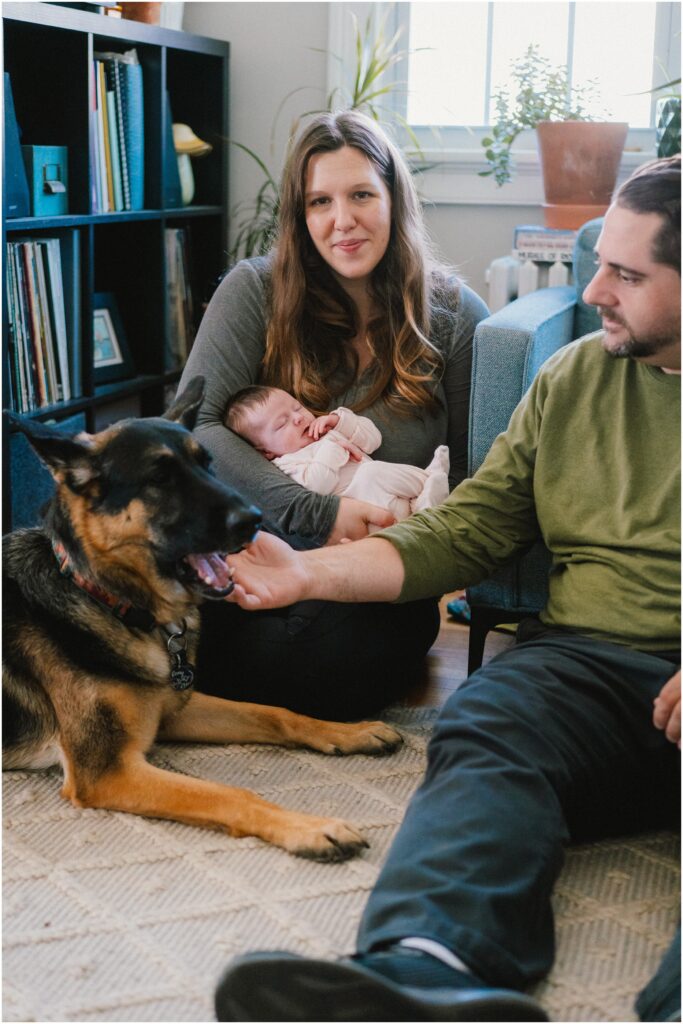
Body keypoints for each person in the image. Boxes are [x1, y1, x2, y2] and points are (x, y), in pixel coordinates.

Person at [214, 155, 681, 1022]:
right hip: (587, 668)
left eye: (625, 273)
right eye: (596, 265)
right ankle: (425, 971)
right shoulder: (575, 378)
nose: (597, 292)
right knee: (485, 724)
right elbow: (466, 529)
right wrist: (306, 570)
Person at [179, 110, 488, 719]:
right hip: (249, 549)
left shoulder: (452, 314)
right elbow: (196, 424)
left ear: (395, 200)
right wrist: (317, 512)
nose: (342, 221)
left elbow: (474, 474)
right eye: (320, 201)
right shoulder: (256, 291)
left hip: (372, 577)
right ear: (300, 217)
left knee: (329, 662)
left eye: (361, 195)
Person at [224, 384, 451, 521]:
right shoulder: (286, 464)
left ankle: (429, 491)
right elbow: (316, 486)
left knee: (377, 472)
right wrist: (331, 447)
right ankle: (427, 500)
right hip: (369, 511)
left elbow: (373, 440)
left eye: (297, 407)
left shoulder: (326, 430)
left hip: (395, 492)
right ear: (267, 452)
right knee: (368, 475)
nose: (298, 417)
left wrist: (340, 422)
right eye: (282, 424)